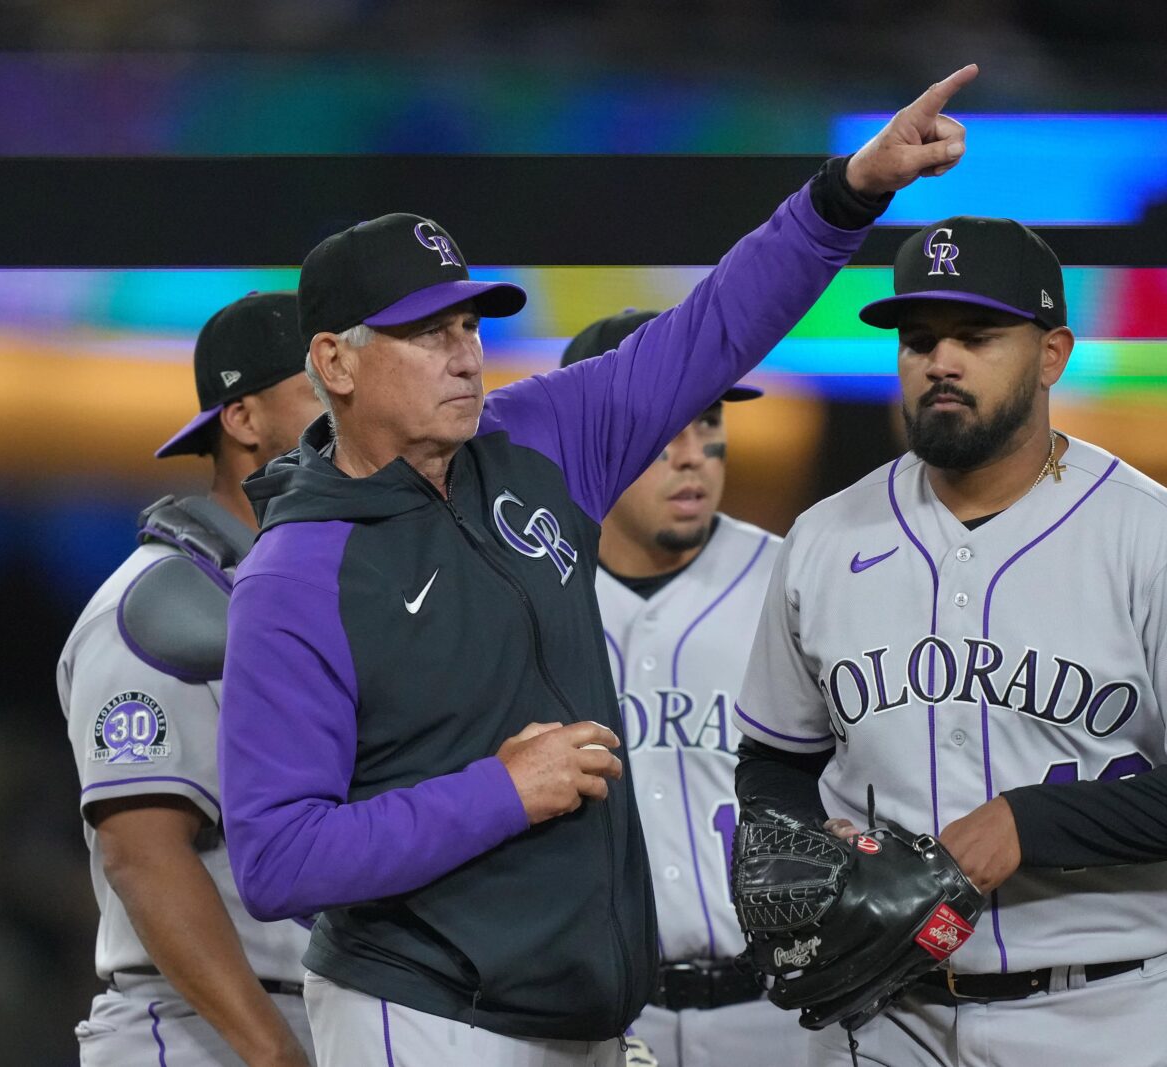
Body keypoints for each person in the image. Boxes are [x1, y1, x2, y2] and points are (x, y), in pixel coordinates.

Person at [214, 66, 979, 1067]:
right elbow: (276, 858)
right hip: (423, 1012)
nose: (462, 355)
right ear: (338, 362)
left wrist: (850, 192)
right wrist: (500, 788)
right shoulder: (295, 573)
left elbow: (711, 328)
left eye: (468, 325)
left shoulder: (535, 436)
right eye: (424, 332)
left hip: (582, 1021)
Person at [733, 215, 1167, 1066]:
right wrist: (800, 852)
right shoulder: (824, 538)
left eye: (977, 335)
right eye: (919, 339)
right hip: (892, 1019)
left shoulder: (1151, 538)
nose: (942, 361)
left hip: (1106, 1014)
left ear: (1051, 354)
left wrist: (1029, 823)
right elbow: (775, 758)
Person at [56, 292, 325, 1066]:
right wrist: (276, 1055)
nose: (350, 406)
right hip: (199, 1029)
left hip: (321, 1015)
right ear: (241, 419)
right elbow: (142, 855)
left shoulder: (332, 593)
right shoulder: (154, 604)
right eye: (320, 387)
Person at [561, 311, 805, 1067]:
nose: (691, 455)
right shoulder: (525, 596)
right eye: (663, 428)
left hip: (778, 1014)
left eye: (706, 422)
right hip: (585, 1019)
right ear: (588, 435)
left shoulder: (793, 582)